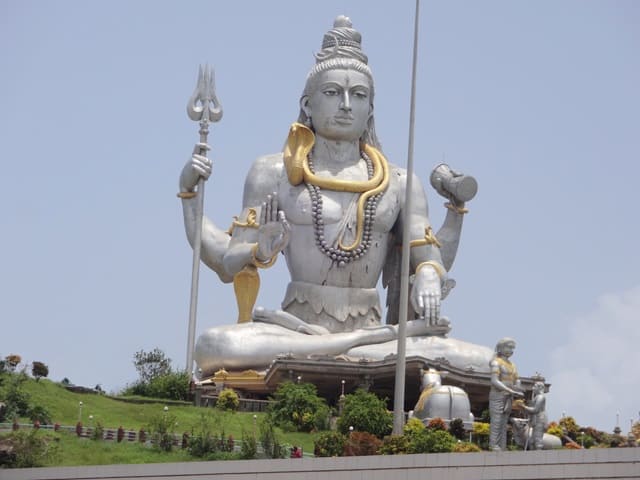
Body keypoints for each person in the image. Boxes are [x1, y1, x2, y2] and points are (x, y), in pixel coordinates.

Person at [178, 16, 492, 378]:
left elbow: (430, 257)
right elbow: (226, 262)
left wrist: (429, 274)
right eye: (331, 93)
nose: (345, 105)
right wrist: (200, 204)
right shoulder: (273, 172)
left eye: (358, 95)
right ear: (307, 104)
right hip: (294, 328)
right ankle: (351, 348)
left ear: (370, 109)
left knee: (485, 360)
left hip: (375, 328)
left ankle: (344, 348)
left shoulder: (400, 182)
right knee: (216, 345)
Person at [488, 337, 524, 451]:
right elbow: (494, 381)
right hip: (497, 395)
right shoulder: (496, 362)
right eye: (508, 347)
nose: (511, 350)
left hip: (509, 396)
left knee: (504, 423)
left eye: (512, 348)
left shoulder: (512, 365)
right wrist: (509, 390)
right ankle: (494, 445)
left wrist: (517, 386)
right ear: (500, 348)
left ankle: (502, 446)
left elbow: (516, 379)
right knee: (496, 421)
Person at [521, 381, 547, 450]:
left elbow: (535, 410)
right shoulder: (537, 397)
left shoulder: (541, 397)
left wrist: (524, 407)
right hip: (535, 420)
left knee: (537, 439)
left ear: (540, 387)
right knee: (532, 440)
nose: (533, 388)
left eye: (535, 386)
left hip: (540, 420)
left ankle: (538, 454)